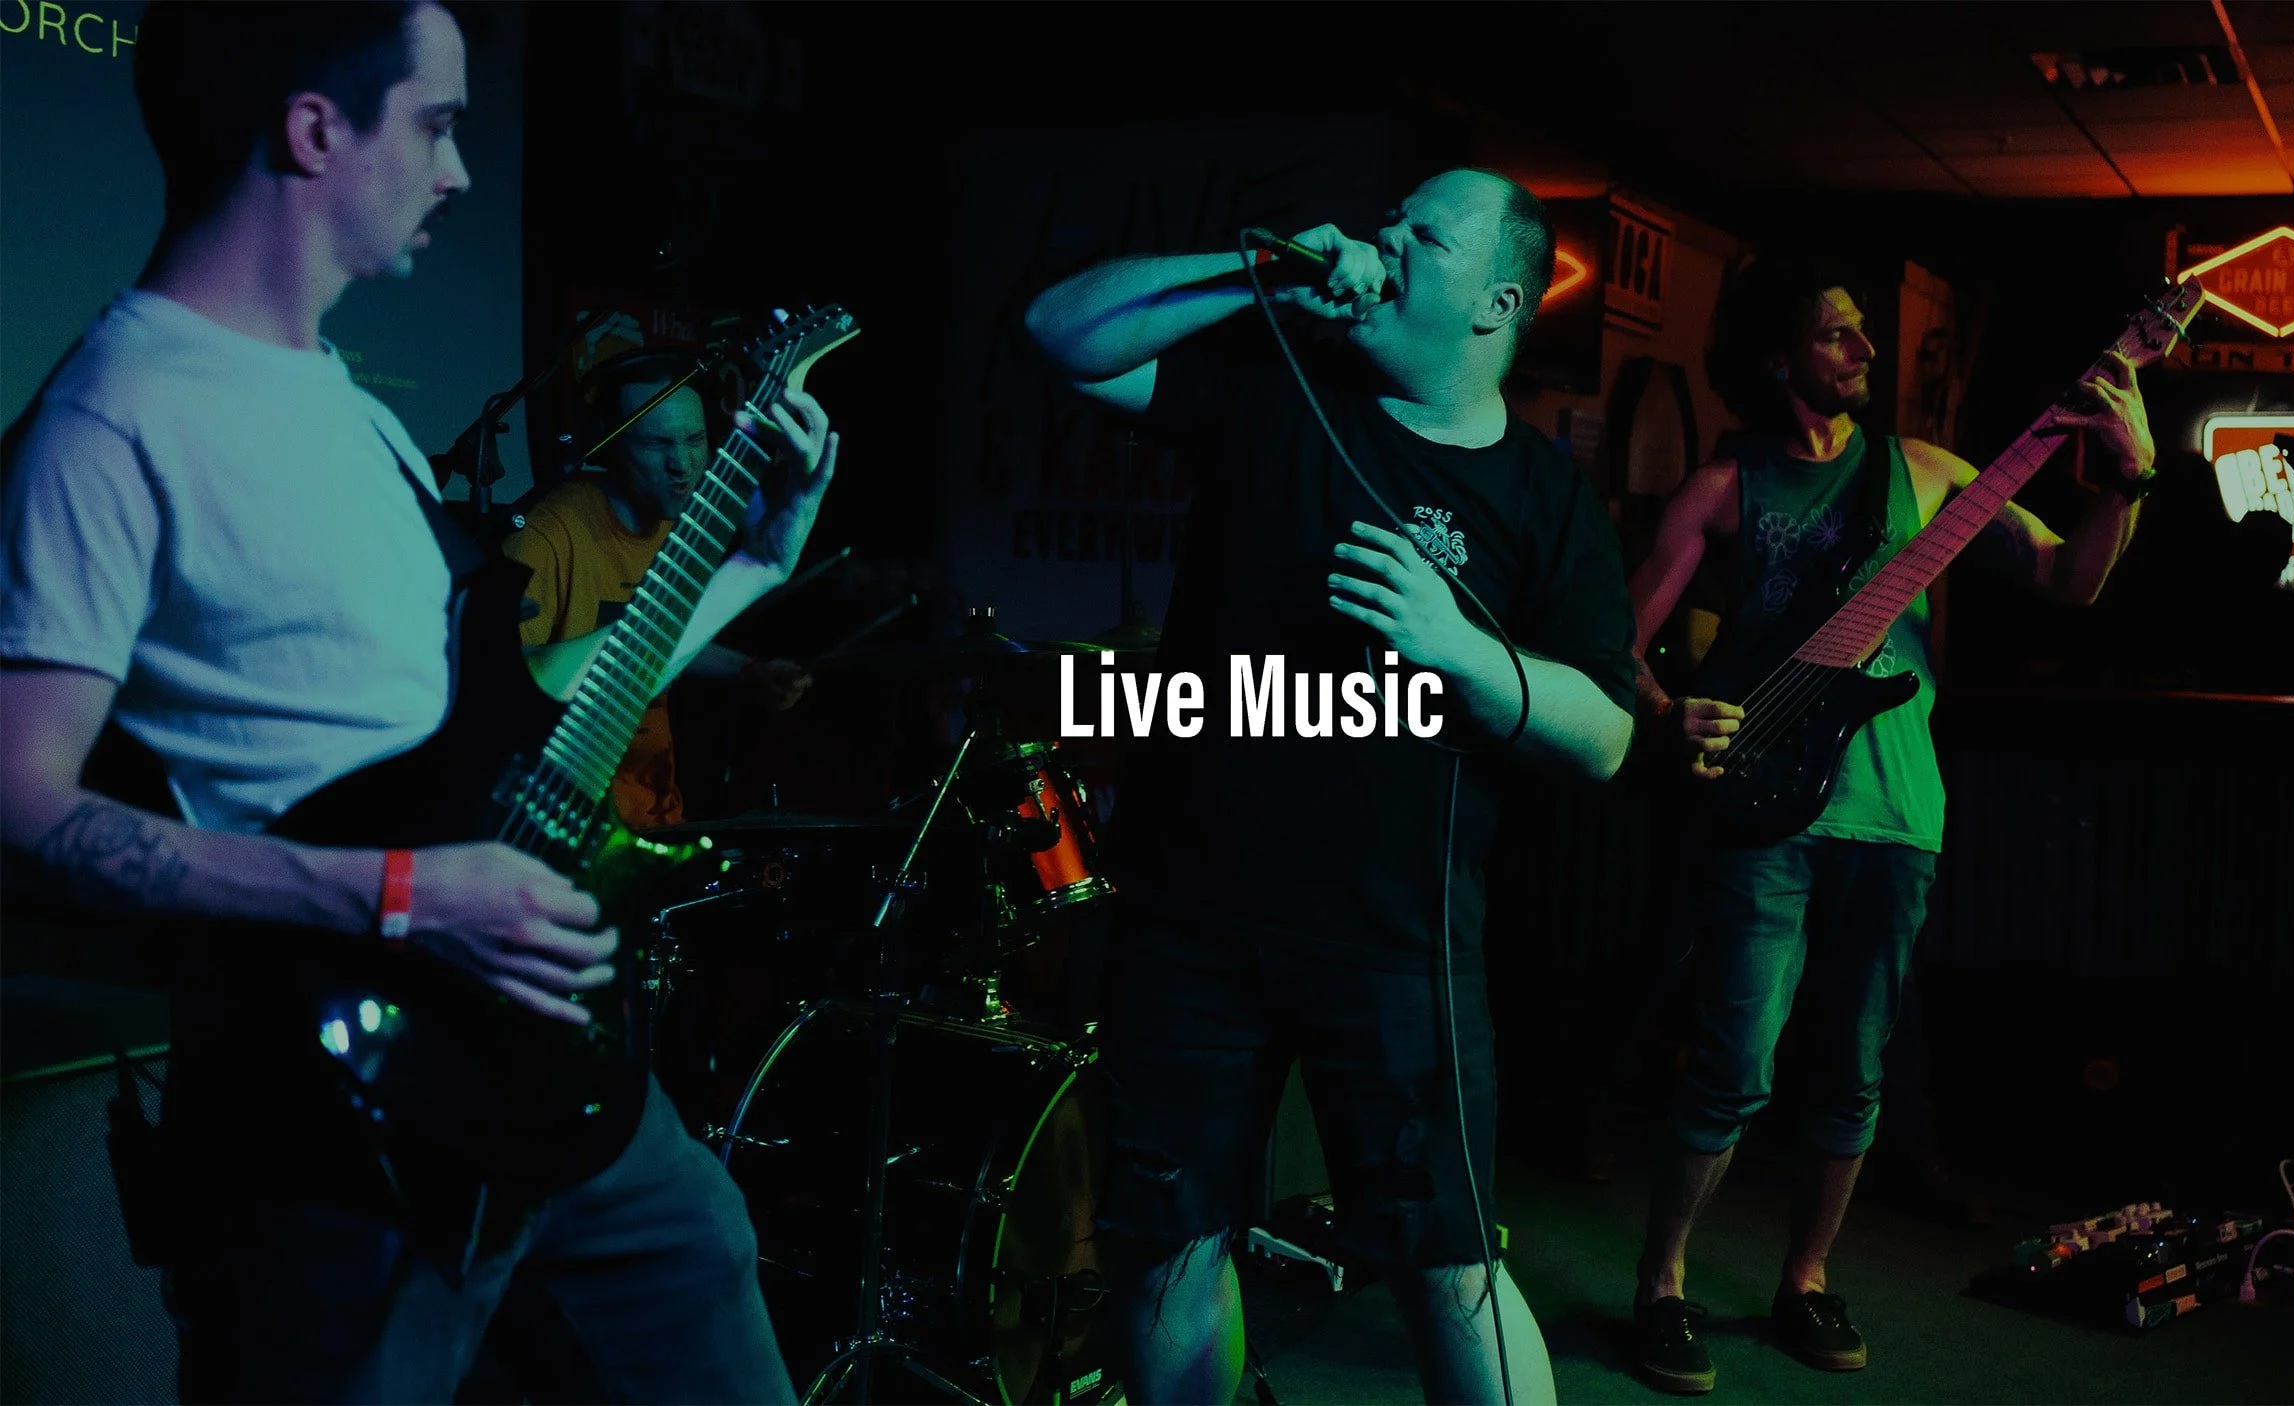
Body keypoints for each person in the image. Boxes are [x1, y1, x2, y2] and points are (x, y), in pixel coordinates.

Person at [0, 4, 832, 1400]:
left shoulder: (345, 404)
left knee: (705, 1262)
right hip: (337, 1114)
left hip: (535, 1059)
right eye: (436, 126)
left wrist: (754, 561)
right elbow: (20, 805)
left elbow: (514, 713)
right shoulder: (115, 412)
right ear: (316, 132)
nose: (458, 171)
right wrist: (407, 896)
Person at [1025, 167, 1639, 1405]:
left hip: (1397, 939)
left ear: (1497, 302)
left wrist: (1459, 646)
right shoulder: (1277, 382)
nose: (1385, 242)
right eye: (1390, 219)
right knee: (1170, 1244)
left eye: (1425, 234)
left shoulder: (1545, 498)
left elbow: (1606, 733)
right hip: (1194, 919)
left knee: (1447, 1260)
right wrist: (1259, 268)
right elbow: (1059, 335)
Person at [1623, 255, 2154, 1392]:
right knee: (1731, 1064)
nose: (1863, 350)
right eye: (1835, 334)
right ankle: (1659, 1283)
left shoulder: (1927, 473)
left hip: (1897, 813)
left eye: (1863, 329)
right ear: (1778, 359)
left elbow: (2070, 581)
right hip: (1760, 808)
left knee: (1853, 1069)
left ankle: (1803, 1280)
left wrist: (2124, 482)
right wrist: (1672, 714)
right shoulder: (1720, 491)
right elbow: (1615, 648)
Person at [505, 348, 816, 831]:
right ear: (611, 446)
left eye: (695, 439)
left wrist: (747, 670)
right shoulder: (547, 537)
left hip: (656, 815)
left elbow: (660, 632)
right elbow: (511, 690)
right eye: (656, 444)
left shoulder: (675, 526)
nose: (683, 464)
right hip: (574, 824)